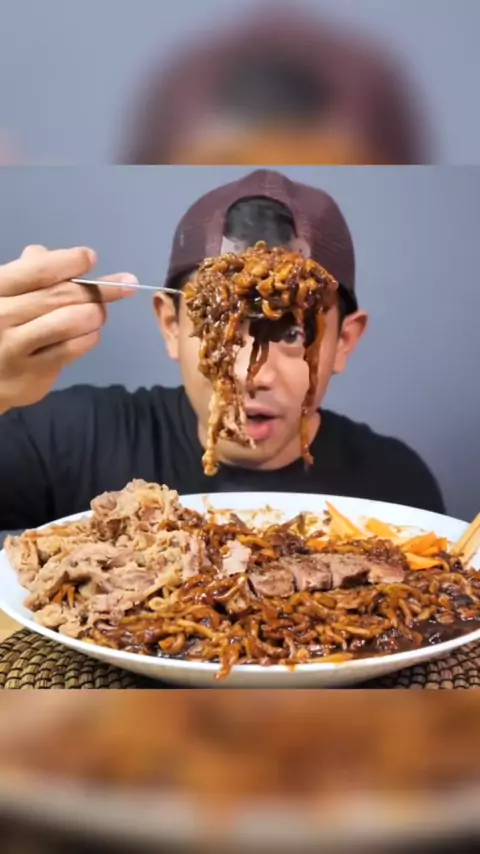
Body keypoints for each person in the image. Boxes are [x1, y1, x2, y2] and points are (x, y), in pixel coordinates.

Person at [0, 168, 444, 532]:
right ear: (171, 325)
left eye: (292, 334)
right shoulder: (67, 439)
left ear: (343, 342)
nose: (251, 376)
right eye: (217, 327)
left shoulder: (397, 486)